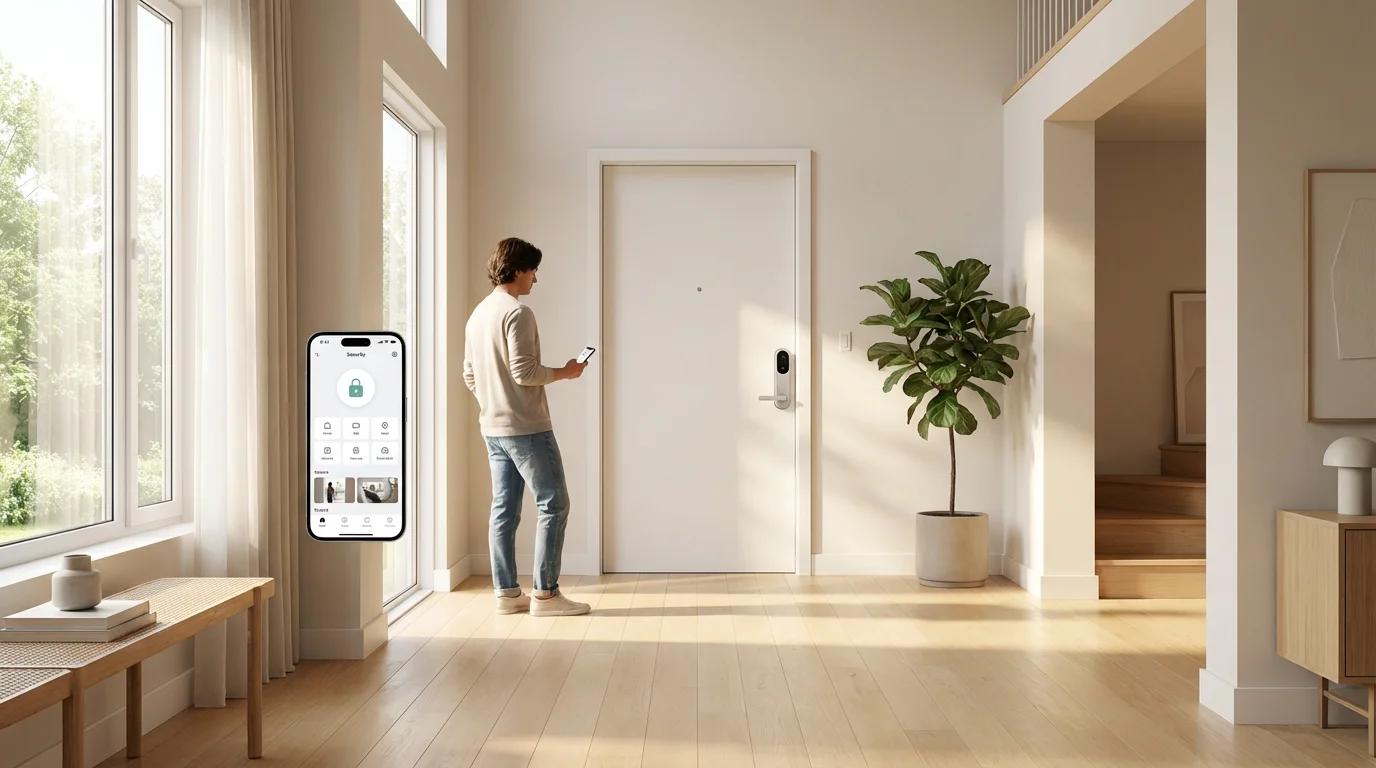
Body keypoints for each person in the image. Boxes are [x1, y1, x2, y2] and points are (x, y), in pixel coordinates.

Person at [464, 237, 590, 617]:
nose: (536, 279)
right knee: (554, 504)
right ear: (518, 270)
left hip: (492, 427)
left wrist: (493, 402)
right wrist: (567, 373)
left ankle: (506, 594)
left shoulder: (479, 314)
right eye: (533, 270)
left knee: (504, 510)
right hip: (527, 428)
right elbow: (525, 372)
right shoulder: (517, 313)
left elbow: (469, 375)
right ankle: (546, 595)